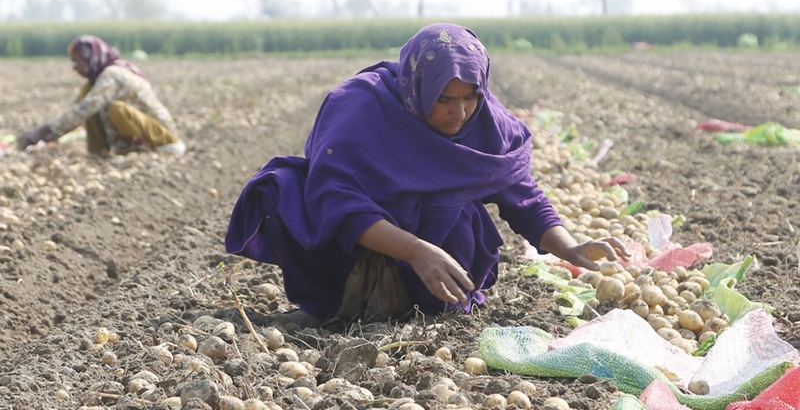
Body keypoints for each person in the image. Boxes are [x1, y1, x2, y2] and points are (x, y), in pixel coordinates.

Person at [225, 23, 629, 329]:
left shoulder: (486, 119)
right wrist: (415, 250)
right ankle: (334, 303)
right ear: (417, 86)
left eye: (471, 96)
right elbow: (335, 199)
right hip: (358, 240)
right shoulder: (359, 106)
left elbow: (522, 196)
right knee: (285, 188)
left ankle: (425, 304)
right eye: (444, 100)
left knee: (452, 206)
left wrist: (568, 248)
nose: (460, 113)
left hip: (437, 238)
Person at [16, 35, 185, 156]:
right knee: (91, 103)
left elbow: (84, 109)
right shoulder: (93, 84)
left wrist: (44, 131)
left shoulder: (112, 75)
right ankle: (99, 153)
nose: (74, 67)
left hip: (162, 136)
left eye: (77, 61)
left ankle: (141, 148)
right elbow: (75, 111)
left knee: (115, 109)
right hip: (134, 131)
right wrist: (45, 138)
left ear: (90, 58)